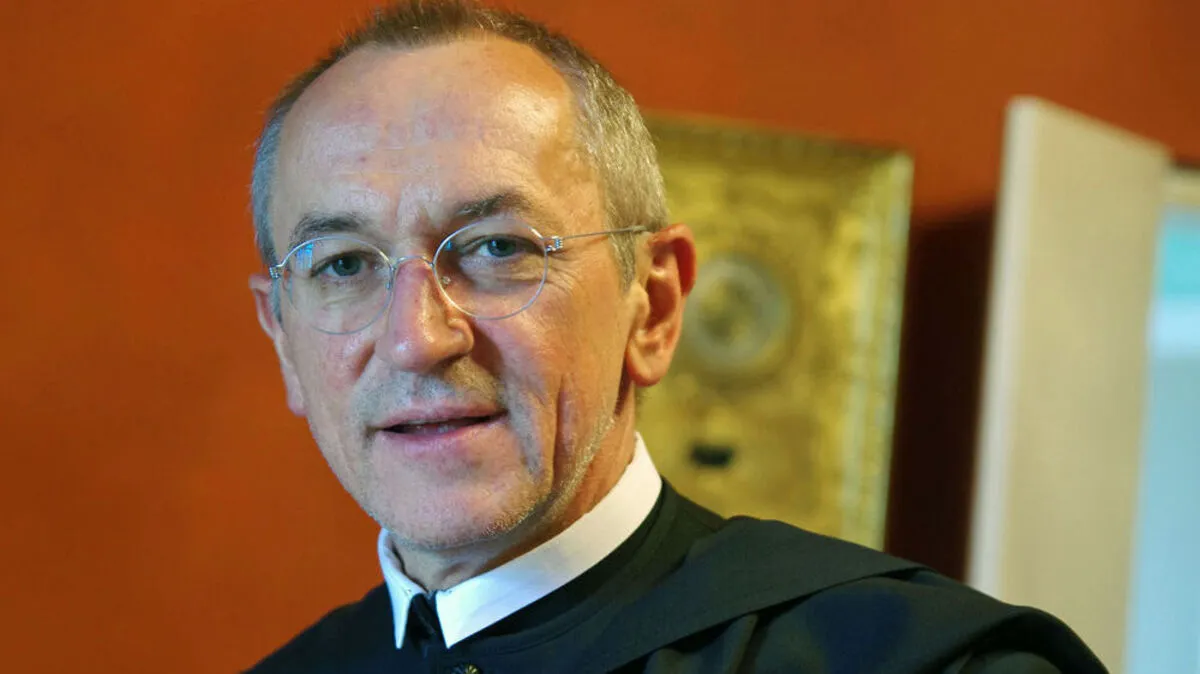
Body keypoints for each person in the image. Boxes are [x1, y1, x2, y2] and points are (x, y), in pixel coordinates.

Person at [244, 1, 1105, 672]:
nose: (417, 339)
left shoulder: (927, 664)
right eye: (343, 264)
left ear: (652, 306)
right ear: (283, 340)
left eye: (498, 249)